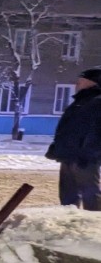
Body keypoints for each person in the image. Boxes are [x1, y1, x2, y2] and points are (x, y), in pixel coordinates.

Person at [48, 67, 101, 210]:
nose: (77, 83)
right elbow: (66, 128)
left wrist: (88, 153)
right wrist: (56, 147)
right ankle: (70, 223)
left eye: (82, 80)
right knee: (67, 195)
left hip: (85, 158)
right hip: (68, 155)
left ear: (92, 82)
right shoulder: (79, 102)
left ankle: (94, 224)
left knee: (90, 194)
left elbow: (97, 134)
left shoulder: (97, 103)